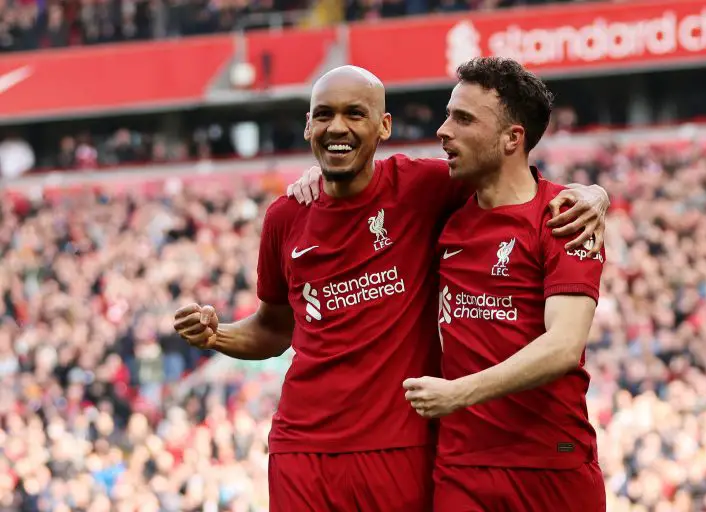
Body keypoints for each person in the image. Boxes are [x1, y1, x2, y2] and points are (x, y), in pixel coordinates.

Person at [173, 65, 609, 512]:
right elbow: (274, 327)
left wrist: (596, 194)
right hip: (321, 449)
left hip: (444, 452)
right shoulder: (289, 215)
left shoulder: (440, 193)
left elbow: (518, 190)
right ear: (307, 125)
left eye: (354, 114)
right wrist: (217, 334)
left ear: (383, 126)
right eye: (322, 115)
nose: (443, 132)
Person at [401, 57, 606, 511]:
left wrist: (458, 392)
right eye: (448, 114)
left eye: (464, 118)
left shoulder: (565, 217)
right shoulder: (442, 216)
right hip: (462, 468)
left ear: (512, 138)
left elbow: (564, 346)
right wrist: (319, 171)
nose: (442, 130)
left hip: (552, 463)